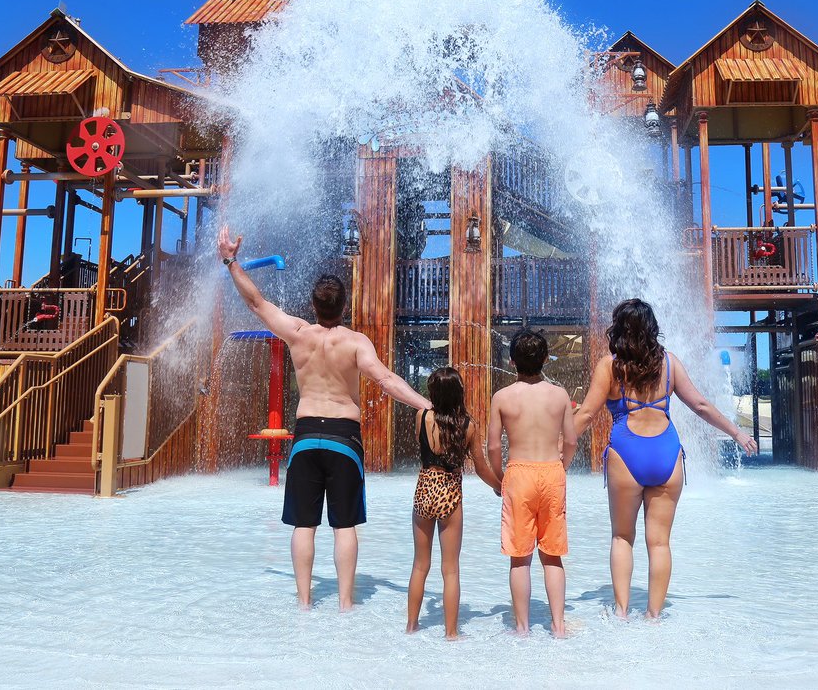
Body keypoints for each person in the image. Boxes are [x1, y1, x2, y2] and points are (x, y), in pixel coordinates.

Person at [218, 226, 431, 612]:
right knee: (344, 526)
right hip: (343, 438)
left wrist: (231, 260)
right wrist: (426, 405)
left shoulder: (297, 333)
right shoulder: (355, 342)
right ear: (343, 306)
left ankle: (304, 602)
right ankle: (346, 604)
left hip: (304, 438)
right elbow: (386, 381)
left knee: (305, 525)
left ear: (313, 306)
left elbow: (256, 303)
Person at [574, 298, 758, 620]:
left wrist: (556, 446)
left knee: (622, 537)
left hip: (626, 455)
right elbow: (700, 405)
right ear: (651, 328)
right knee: (659, 543)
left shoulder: (610, 367)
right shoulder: (669, 364)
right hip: (666, 455)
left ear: (618, 329)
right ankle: (654, 616)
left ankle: (620, 612)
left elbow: (587, 414)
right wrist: (736, 433)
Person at [486, 328, 578, 637]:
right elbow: (571, 442)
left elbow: (493, 447)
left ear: (511, 361)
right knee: (552, 555)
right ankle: (559, 625)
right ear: (545, 360)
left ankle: (522, 628)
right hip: (552, 471)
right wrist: (562, 467)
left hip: (519, 474)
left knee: (520, 558)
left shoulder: (502, 397)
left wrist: (499, 478)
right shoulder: (559, 395)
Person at [405, 367, 501, 640]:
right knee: (450, 569)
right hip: (449, 491)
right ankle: (451, 633)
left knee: (420, 565)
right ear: (459, 393)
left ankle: (411, 626)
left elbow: (422, 443)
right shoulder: (468, 426)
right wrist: (500, 486)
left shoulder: (421, 417)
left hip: (425, 488)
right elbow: (481, 468)